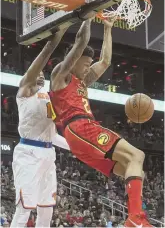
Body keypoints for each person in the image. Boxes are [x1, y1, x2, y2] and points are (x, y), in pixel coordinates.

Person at [49, 16, 153, 228]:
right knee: (137, 155)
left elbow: (105, 61)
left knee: (133, 170)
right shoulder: (61, 75)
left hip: (81, 136)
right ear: (75, 59)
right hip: (79, 127)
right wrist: (87, 17)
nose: (89, 68)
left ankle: (136, 217)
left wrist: (107, 28)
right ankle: (135, 219)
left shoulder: (82, 81)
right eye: (86, 63)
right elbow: (79, 44)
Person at [10, 29, 70, 228]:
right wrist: (53, 42)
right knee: (24, 208)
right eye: (38, 73)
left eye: (44, 74)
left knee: (47, 208)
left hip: (48, 153)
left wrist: (77, 147)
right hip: (28, 153)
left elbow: (53, 136)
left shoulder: (48, 97)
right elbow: (38, 65)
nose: (41, 75)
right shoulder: (24, 90)